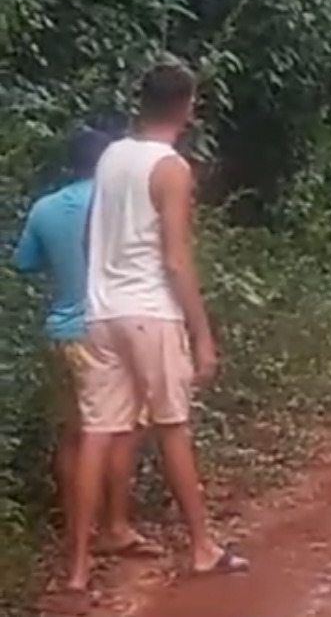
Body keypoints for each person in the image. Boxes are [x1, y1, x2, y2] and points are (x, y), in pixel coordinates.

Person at [65, 59, 248, 595]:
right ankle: (202, 547)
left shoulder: (111, 157)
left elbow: (88, 238)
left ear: (141, 103)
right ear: (186, 106)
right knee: (172, 425)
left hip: (101, 310)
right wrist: (202, 331)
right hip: (151, 312)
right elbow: (174, 258)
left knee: (97, 432)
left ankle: (77, 569)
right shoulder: (170, 168)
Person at [12, 125, 162, 560]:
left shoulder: (45, 207)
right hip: (112, 330)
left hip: (62, 333)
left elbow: (24, 262)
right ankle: (114, 525)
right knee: (121, 432)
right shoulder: (120, 204)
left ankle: (77, 526)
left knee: (73, 434)